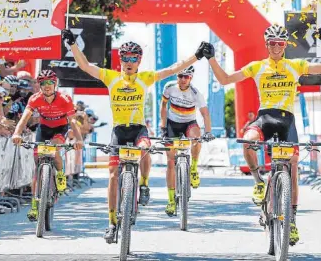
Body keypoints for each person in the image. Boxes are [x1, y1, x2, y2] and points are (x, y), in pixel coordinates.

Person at [62, 28, 207, 243]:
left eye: (134, 58)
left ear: (139, 60)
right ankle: (111, 223)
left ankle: (144, 183)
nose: (129, 62)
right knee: (112, 176)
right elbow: (85, 66)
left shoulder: (145, 78)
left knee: (145, 147)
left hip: (138, 129)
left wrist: (196, 56)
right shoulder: (110, 76)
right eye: (125, 58)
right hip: (118, 131)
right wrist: (72, 44)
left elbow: (172, 69)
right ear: (120, 59)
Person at [204, 24, 321, 245]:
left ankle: (291, 220)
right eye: (272, 43)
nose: (276, 47)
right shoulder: (257, 66)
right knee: (247, 141)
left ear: (285, 45)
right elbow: (226, 80)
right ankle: (257, 182)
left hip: (286, 121)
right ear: (266, 45)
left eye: (280, 43)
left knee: (293, 167)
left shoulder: (296, 65)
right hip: (264, 118)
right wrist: (211, 59)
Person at [11, 70, 84, 222]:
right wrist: (16, 133)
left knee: (54, 146)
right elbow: (24, 118)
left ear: (55, 83)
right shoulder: (35, 98)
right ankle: (34, 206)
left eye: (50, 83)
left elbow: (72, 122)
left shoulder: (64, 99)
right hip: (43, 128)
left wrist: (79, 139)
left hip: (60, 128)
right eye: (43, 83)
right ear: (39, 85)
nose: (47, 86)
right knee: (37, 164)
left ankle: (60, 174)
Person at [159, 66, 214, 216]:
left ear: (191, 78)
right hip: (172, 123)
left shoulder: (196, 93)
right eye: (181, 76)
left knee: (197, 137)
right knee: (170, 161)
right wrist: (162, 126)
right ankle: (171, 201)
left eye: (187, 77)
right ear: (177, 76)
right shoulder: (169, 87)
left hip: (189, 123)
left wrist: (208, 132)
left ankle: (194, 169)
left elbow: (205, 114)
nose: (183, 79)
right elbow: (163, 106)